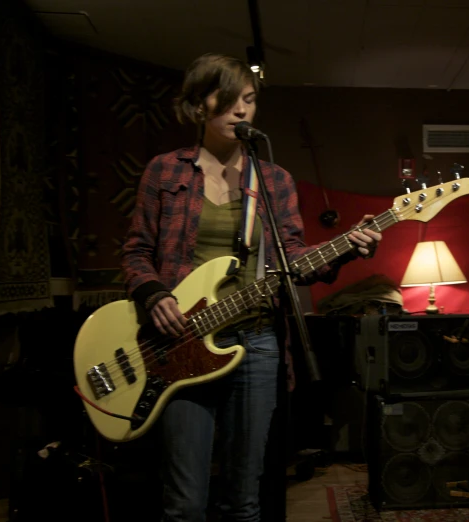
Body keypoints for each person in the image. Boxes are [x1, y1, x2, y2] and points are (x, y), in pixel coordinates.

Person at [121, 53, 381, 522]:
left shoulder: (273, 179)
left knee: (245, 500)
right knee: (184, 502)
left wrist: (346, 246)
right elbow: (136, 252)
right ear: (200, 104)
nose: (243, 111)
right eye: (230, 98)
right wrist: (154, 294)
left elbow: (294, 261)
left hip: (257, 343)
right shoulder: (166, 171)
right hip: (181, 341)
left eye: (251, 100)